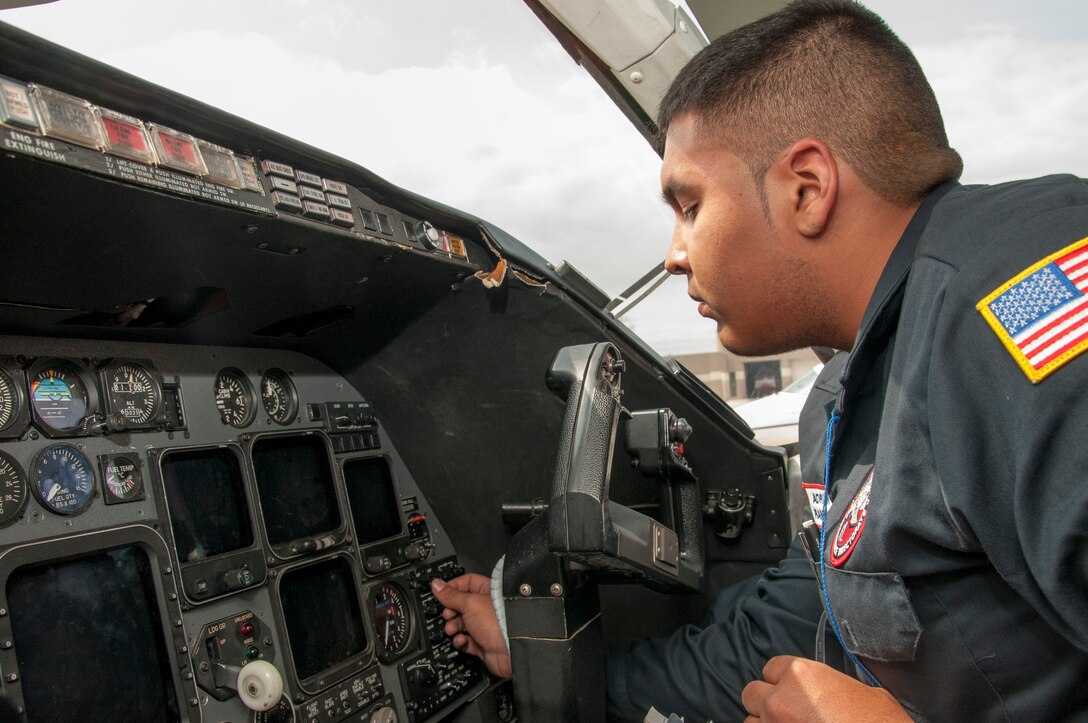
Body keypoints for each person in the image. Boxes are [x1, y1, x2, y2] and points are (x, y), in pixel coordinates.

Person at [432, 0, 1088, 719]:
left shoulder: (1017, 303)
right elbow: (785, 635)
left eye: (689, 205)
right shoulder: (851, 390)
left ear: (806, 188)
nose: (675, 255)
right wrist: (543, 654)